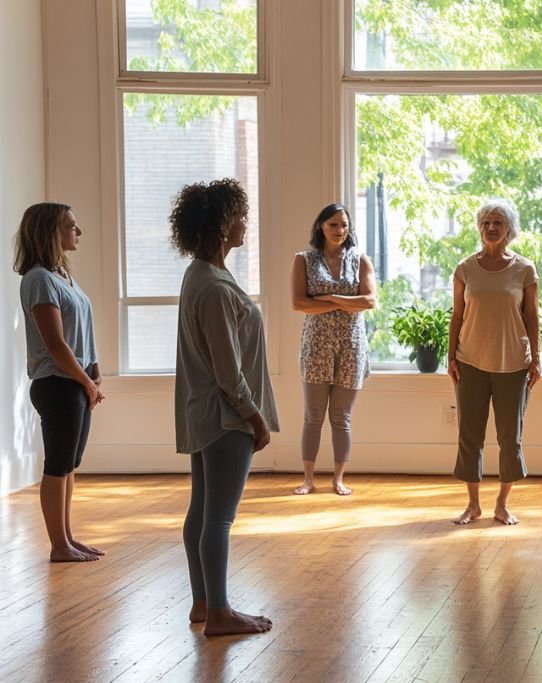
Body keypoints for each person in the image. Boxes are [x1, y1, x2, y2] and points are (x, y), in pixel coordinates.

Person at [172, 178, 279, 637]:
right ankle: (219, 611)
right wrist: (254, 416)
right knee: (218, 517)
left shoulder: (202, 274)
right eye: (238, 215)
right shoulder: (213, 286)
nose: (245, 224)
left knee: (201, 511)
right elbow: (226, 368)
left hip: (206, 411)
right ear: (220, 224)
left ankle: (203, 603)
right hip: (224, 415)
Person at [15, 203, 105, 563]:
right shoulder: (38, 279)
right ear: (51, 232)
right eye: (71, 226)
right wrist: (87, 382)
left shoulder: (63, 276)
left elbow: (82, 330)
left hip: (76, 383)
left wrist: (93, 373)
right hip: (57, 384)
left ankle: (68, 537)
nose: (78, 232)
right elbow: (55, 343)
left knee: (69, 463)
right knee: (57, 464)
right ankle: (58, 545)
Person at [447, 198, 541, 525]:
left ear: (509, 230)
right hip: (470, 361)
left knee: (509, 438)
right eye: (486, 222)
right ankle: (473, 505)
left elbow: (532, 317)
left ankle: (502, 504)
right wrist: (450, 358)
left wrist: (537, 360)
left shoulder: (524, 269)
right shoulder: (465, 268)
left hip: (514, 364)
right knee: (469, 436)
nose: (490, 228)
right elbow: (457, 316)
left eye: (497, 223)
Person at [290, 203, 375, 496]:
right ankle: (308, 479)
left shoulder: (360, 260)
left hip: (351, 346)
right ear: (320, 227)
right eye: (333, 225)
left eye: (344, 225)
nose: (340, 230)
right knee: (313, 416)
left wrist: (329, 298)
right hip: (316, 346)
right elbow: (299, 303)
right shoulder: (303, 260)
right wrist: (346, 302)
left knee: (341, 418)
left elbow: (369, 301)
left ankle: (338, 479)